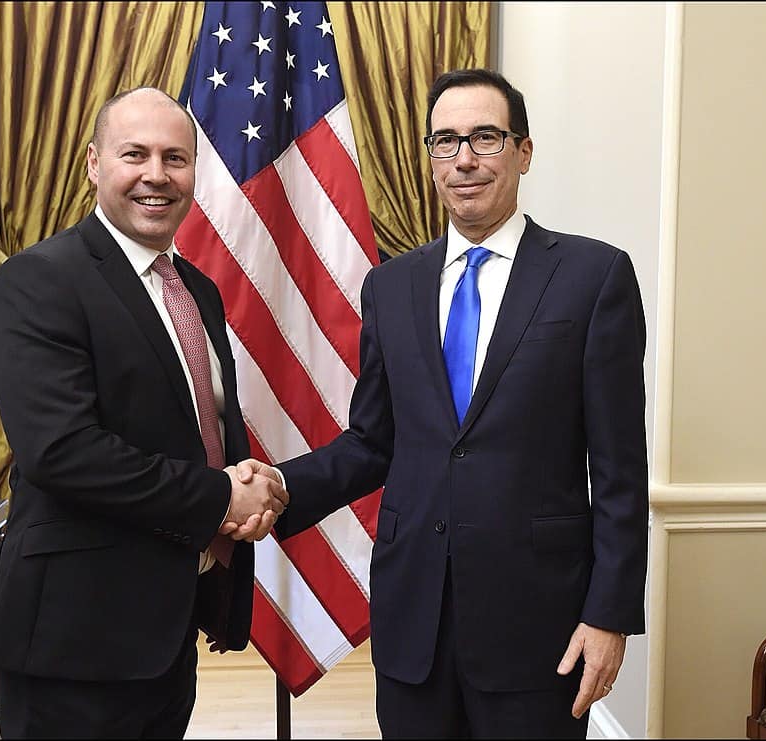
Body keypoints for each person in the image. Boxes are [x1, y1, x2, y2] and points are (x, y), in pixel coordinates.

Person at [234, 68, 649, 738]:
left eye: (486, 137)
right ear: (428, 156)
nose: (465, 159)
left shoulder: (593, 278)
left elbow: (622, 473)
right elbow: (373, 441)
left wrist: (608, 615)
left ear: (523, 151)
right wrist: (282, 484)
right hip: (413, 620)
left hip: (537, 623)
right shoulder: (391, 287)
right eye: (446, 141)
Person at [0, 87, 288, 739]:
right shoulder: (38, 280)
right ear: (93, 163)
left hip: (166, 635)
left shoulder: (196, 289)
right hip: (75, 644)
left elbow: (191, 428)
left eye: (176, 157)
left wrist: (242, 480)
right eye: (134, 154)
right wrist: (220, 495)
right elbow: (62, 452)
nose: (156, 174)